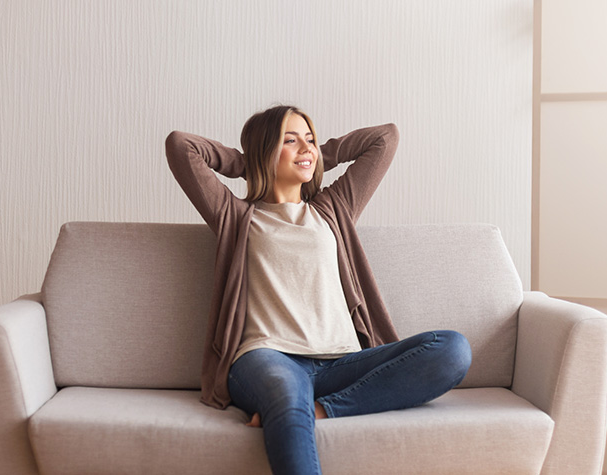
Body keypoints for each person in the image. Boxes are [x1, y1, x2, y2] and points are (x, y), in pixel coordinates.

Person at [166, 105, 471, 475]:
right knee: (285, 392)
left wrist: (316, 155)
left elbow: (384, 138)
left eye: (309, 139)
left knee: (452, 349)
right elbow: (181, 146)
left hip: (342, 362)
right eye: (289, 140)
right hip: (267, 357)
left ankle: (323, 408)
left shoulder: (332, 208)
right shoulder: (236, 215)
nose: (305, 148)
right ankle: (295, 404)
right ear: (264, 151)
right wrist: (248, 161)